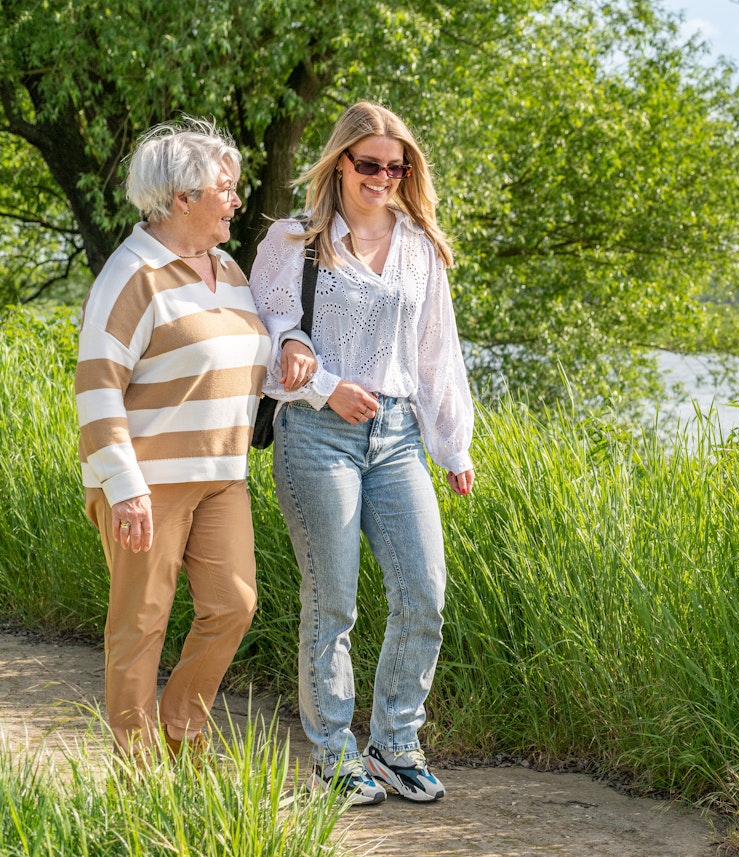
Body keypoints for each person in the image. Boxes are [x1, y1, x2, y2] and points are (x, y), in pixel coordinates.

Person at [249, 101, 474, 806]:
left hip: (400, 436)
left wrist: (452, 443)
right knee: (333, 602)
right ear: (339, 163)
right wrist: (320, 384)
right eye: (369, 164)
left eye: (395, 166)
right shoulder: (294, 240)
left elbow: (439, 354)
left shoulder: (420, 246)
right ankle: (334, 755)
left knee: (424, 594)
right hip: (318, 437)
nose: (383, 176)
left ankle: (396, 743)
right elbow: (264, 339)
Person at [75, 118, 268, 759]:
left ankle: (181, 729)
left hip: (222, 475)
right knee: (141, 623)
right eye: (225, 188)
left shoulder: (231, 271)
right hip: (147, 483)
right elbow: (97, 389)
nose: (236, 199)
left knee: (234, 604)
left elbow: (252, 363)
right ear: (182, 198)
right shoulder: (130, 275)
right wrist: (124, 488)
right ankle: (139, 772)